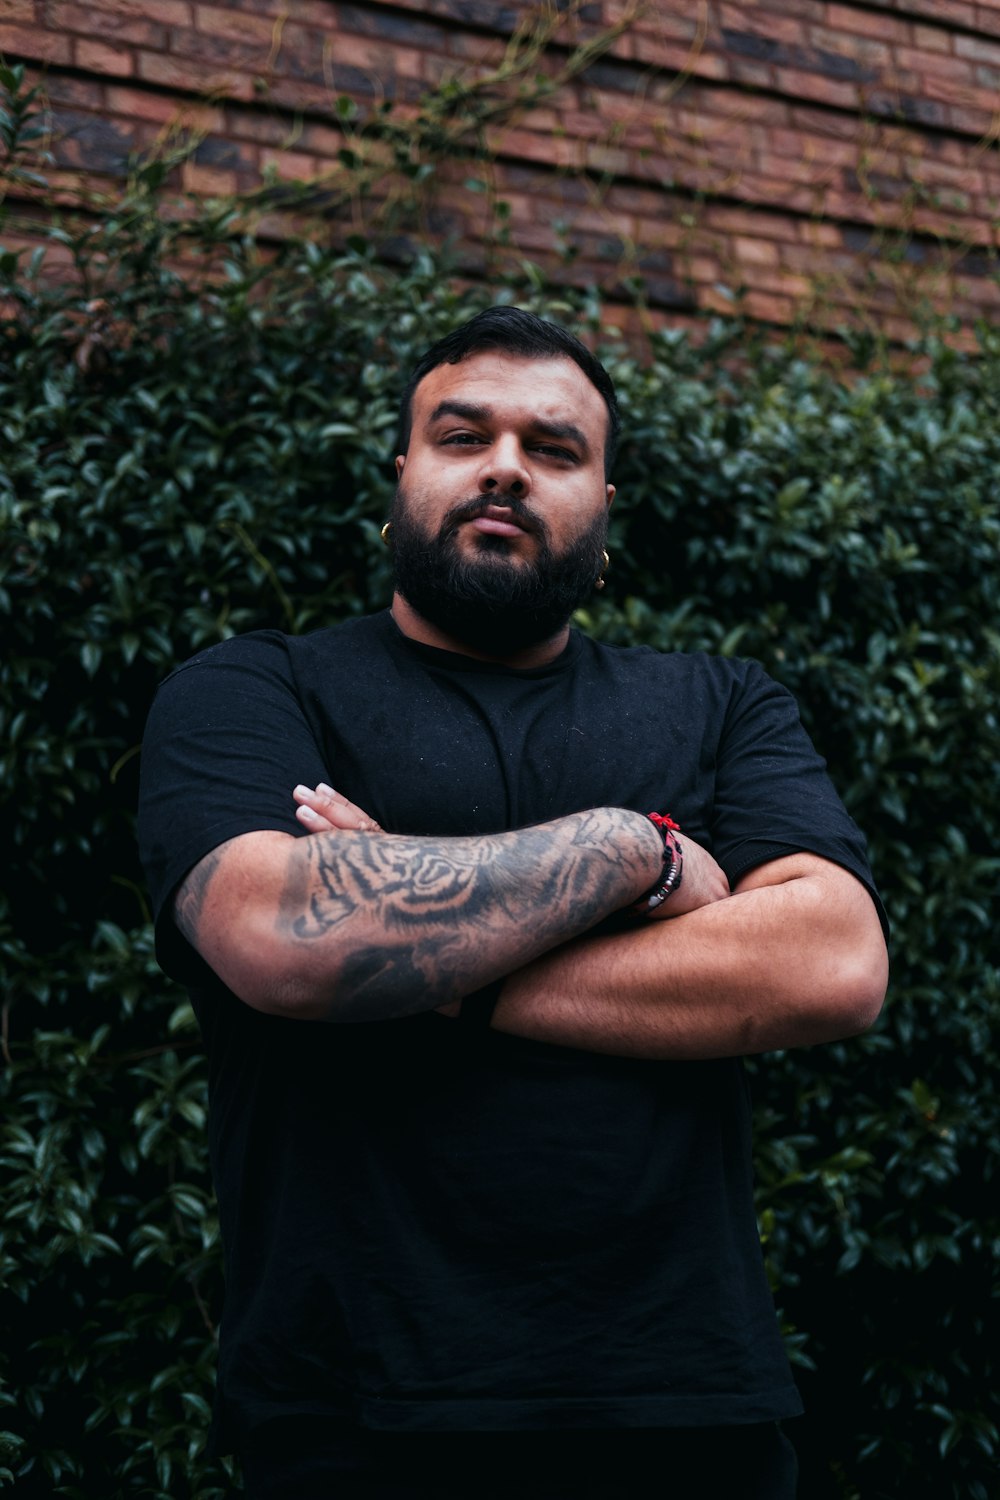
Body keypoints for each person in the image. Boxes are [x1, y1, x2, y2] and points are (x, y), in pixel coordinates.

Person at [138, 307, 889, 1499]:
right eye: (461, 435)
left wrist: (417, 942)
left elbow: (832, 963)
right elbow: (277, 933)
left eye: (552, 448)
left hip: (690, 1417)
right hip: (354, 1422)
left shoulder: (720, 704)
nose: (504, 467)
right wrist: (630, 850)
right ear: (401, 475)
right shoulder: (253, 688)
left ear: (601, 500)